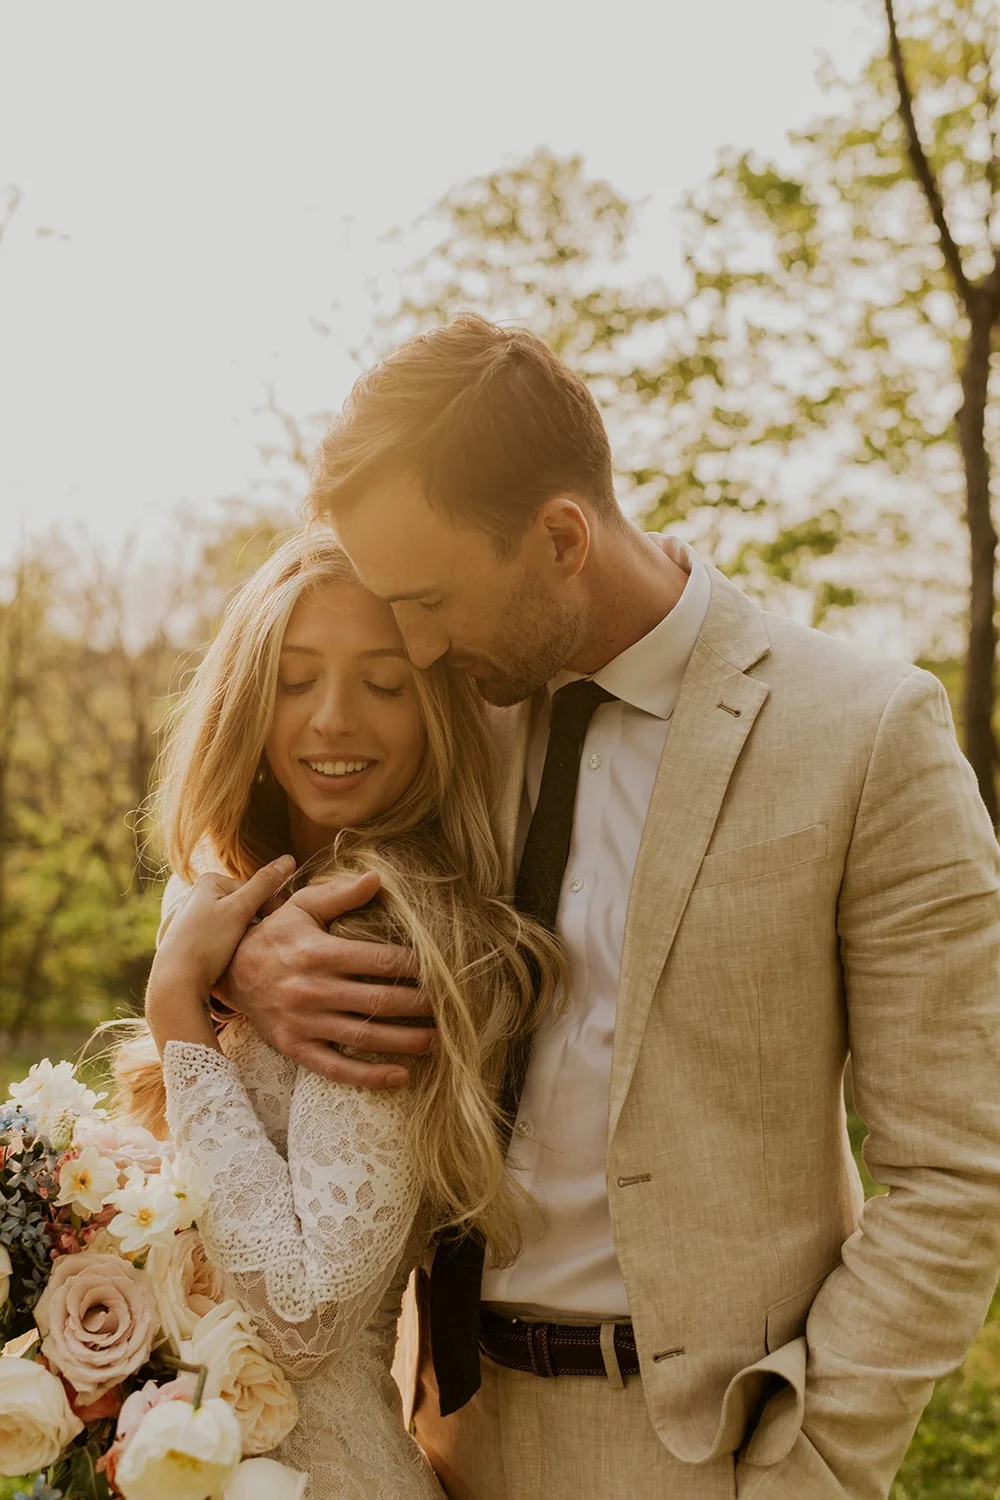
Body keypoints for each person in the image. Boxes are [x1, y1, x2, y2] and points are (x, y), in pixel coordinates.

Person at [211, 313, 1000, 1500]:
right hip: (443, 1435)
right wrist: (242, 956)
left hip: (711, 1453)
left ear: (562, 537)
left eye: (428, 599)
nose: (408, 643)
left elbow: (960, 1169)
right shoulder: (442, 715)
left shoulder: (863, 735)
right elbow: (250, 827)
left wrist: (812, 1467)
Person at [127, 529, 562, 1498]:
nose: (333, 720)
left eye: (383, 682)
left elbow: (304, 1315)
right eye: (295, 679)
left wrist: (178, 1017)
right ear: (247, 699)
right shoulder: (221, 903)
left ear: (433, 710)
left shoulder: (380, 937)